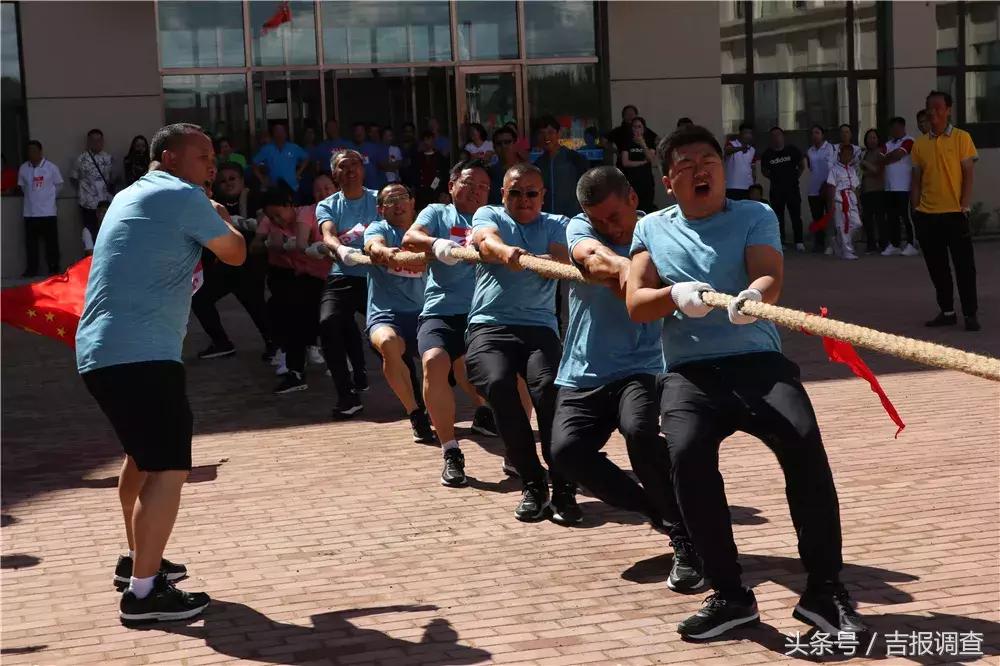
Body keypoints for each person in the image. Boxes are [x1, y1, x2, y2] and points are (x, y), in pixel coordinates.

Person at [626, 124, 866, 640]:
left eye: (708, 160)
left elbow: (769, 274)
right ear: (669, 180)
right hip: (689, 374)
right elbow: (636, 302)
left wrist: (753, 296)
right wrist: (673, 296)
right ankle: (731, 595)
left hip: (756, 361)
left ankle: (825, 590)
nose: (700, 170)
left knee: (804, 444)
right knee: (686, 457)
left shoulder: (753, 214)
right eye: (686, 164)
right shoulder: (650, 229)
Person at [76, 123, 247, 624]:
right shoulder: (180, 194)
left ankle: (137, 561)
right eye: (203, 156)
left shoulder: (132, 193)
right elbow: (234, 253)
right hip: (142, 355)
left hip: (104, 353)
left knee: (142, 459)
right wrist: (219, 215)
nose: (212, 166)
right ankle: (143, 595)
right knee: (171, 468)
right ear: (169, 157)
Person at [550, 165, 704, 591]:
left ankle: (684, 540)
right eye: (598, 220)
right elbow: (591, 257)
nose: (607, 226)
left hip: (646, 364)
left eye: (614, 217)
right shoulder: (579, 225)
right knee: (565, 452)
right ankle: (657, 510)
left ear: (633, 199)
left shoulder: (661, 230)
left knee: (639, 431)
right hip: (585, 366)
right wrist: (634, 272)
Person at [464, 163, 576, 523]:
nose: (523, 200)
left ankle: (563, 486)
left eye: (531, 193)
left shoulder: (557, 223)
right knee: (497, 385)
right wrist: (504, 251)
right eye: (515, 192)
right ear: (503, 195)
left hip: (539, 329)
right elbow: (485, 239)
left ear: (542, 196)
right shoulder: (488, 213)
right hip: (489, 326)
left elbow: (562, 256)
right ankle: (532, 483)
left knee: (548, 392)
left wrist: (530, 260)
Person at [402, 160, 498, 487]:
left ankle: (510, 443)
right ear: (453, 184)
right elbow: (411, 237)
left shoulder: (495, 217)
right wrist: (436, 244)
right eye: (469, 183)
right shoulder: (437, 213)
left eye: (483, 186)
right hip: (441, 310)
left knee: (509, 376)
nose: (475, 191)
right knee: (434, 360)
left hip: (486, 313)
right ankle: (451, 450)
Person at [363, 183, 435, 442]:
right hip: (386, 314)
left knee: (445, 362)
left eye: (403, 197)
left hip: (425, 314)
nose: (398, 204)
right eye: (390, 200)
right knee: (389, 343)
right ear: (381, 209)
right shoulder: (379, 228)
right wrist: (384, 253)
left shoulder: (427, 232)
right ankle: (415, 413)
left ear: (413, 203)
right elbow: (373, 244)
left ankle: (484, 413)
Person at [910, 90, 980, 331]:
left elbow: (968, 174)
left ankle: (970, 313)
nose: (934, 111)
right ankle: (947, 311)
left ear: (948, 110)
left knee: (964, 267)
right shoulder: (919, 144)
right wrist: (915, 210)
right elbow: (916, 180)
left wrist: (965, 205)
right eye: (930, 107)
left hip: (955, 213)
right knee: (937, 267)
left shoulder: (962, 138)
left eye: (939, 107)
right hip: (927, 215)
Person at [253, 183, 330, 393]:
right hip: (301, 278)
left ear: (289, 204)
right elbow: (257, 245)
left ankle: (349, 368)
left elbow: (322, 243)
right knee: (290, 314)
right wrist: (272, 244)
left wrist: (298, 244)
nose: (277, 221)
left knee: (334, 322)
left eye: (279, 214)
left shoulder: (309, 214)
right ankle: (295, 371)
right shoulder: (273, 224)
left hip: (331, 277)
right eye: (272, 217)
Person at [192, 161, 273, 360]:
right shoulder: (215, 202)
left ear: (242, 180)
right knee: (200, 298)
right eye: (223, 181)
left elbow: (265, 224)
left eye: (232, 179)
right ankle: (222, 343)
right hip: (227, 265)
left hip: (250, 264)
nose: (228, 184)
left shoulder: (254, 198)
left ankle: (274, 344)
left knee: (255, 303)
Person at [317, 149, 376, 417]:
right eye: (344, 166)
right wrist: (342, 251)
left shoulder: (379, 199)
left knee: (392, 336)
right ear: (335, 173)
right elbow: (328, 235)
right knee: (329, 323)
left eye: (355, 164)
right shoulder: (328, 204)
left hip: (379, 276)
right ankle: (346, 395)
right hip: (343, 274)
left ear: (363, 170)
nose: (351, 169)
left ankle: (420, 395)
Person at [18, 140, 64, 277]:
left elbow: (59, 185)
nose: (31, 153)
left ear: (40, 151)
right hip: (30, 212)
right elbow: (22, 187)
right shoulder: (23, 168)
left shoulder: (51, 168)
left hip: (48, 212)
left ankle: (53, 268)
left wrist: (48, 198)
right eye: (29, 151)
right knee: (31, 244)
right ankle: (31, 269)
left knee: (51, 243)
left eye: (34, 150)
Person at [534, 115, 589, 218]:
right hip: (547, 221)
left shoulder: (575, 158)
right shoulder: (538, 164)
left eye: (550, 132)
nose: (546, 137)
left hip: (572, 219)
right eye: (542, 133)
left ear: (558, 134)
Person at [760, 126, 805, 250]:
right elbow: (764, 171)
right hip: (776, 191)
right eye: (773, 136)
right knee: (778, 217)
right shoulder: (767, 154)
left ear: (782, 136)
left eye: (778, 135)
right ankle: (781, 241)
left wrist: (795, 177)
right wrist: (775, 178)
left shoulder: (792, 150)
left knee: (796, 216)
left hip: (792, 189)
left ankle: (799, 241)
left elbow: (802, 165)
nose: (776, 138)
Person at [880, 117, 919, 257]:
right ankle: (895, 244)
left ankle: (911, 243)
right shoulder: (888, 143)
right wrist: (890, 157)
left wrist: (889, 157)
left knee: (906, 216)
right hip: (889, 187)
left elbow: (899, 154)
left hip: (904, 187)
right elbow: (881, 158)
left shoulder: (909, 141)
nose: (894, 131)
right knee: (892, 217)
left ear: (903, 128)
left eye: (897, 128)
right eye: (892, 128)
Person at [71, 128, 114, 246]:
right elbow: (74, 178)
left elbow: (110, 177)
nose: (96, 143)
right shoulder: (81, 159)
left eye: (99, 140)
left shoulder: (108, 158)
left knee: (106, 232)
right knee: (89, 233)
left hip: (104, 202)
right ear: (88, 142)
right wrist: (84, 191)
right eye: (93, 140)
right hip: (87, 203)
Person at [826, 143, 862, 260]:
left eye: (850, 155)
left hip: (851, 199)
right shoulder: (834, 170)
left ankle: (838, 241)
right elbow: (831, 187)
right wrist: (831, 204)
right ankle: (847, 251)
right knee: (843, 226)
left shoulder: (852, 170)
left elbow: (856, 187)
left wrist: (859, 203)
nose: (847, 157)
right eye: (845, 154)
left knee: (857, 223)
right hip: (840, 200)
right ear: (840, 155)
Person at [806, 125, 837, 253]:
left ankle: (831, 244)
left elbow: (832, 168)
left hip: (828, 188)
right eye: (813, 133)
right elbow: (811, 168)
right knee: (817, 217)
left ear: (822, 135)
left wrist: (826, 184)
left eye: (817, 132)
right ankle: (819, 243)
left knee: (829, 216)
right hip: (814, 189)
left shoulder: (830, 148)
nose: (815, 135)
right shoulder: (810, 151)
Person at [252, 122, 308, 192]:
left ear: (286, 134)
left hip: (292, 186)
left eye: (281, 131)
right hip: (274, 187)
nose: (279, 134)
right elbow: (254, 164)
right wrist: (262, 179)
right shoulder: (266, 149)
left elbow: (306, 158)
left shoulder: (294, 148)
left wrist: (298, 173)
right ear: (273, 134)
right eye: (277, 132)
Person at [618, 116, 658, 213]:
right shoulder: (627, 142)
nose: (637, 129)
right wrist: (643, 162)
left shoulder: (649, 142)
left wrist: (642, 144)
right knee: (632, 209)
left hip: (646, 182)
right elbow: (625, 163)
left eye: (639, 127)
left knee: (647, 209)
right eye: (634, 127)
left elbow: (652, 161)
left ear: (643, 129)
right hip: (631, 182)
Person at [405, 130, 450, 210]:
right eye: (425, 140)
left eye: (429, 140)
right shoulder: (417, 157)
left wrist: (434, 186)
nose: (427, 143)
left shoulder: (439, 157)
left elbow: (442, 174)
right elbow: (414, 173)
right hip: (421, 191)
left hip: (436, 191)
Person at [858, 129, 885, 254]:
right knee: (867, 219)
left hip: (878, 190)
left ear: (878, 139)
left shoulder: (880, 152)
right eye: (869, 138)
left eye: (874, 137)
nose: (872, 140)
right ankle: (871, 245)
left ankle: (883, 244)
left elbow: (877, 170)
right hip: (866, 191)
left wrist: (864, 164)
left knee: (880, 219)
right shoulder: (865, 153)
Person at [345, 122, 385, 190]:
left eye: (361, 131)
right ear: (353, 133)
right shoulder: (348, 148)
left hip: (373, 187)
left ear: (365, 133)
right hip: (355, 188)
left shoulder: (374, 147)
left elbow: (382, 166)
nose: (359, 133)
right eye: (357, 131)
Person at [723, 123, 756, 200]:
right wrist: (740, 148)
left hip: (748, 187)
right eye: (745, 133)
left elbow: (753, 168)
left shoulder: (752, 149)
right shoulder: (731, 144)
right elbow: (727, 151)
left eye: (750, 133)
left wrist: (753, 184)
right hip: (732, 187)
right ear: (740, 134)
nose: (748, 136)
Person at [488, 126, 520, 205]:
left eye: (507, 142)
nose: (503, 146)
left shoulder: (528, 171)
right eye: (499, 143)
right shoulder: (489, 173)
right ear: (494, 148)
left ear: (515, 144)